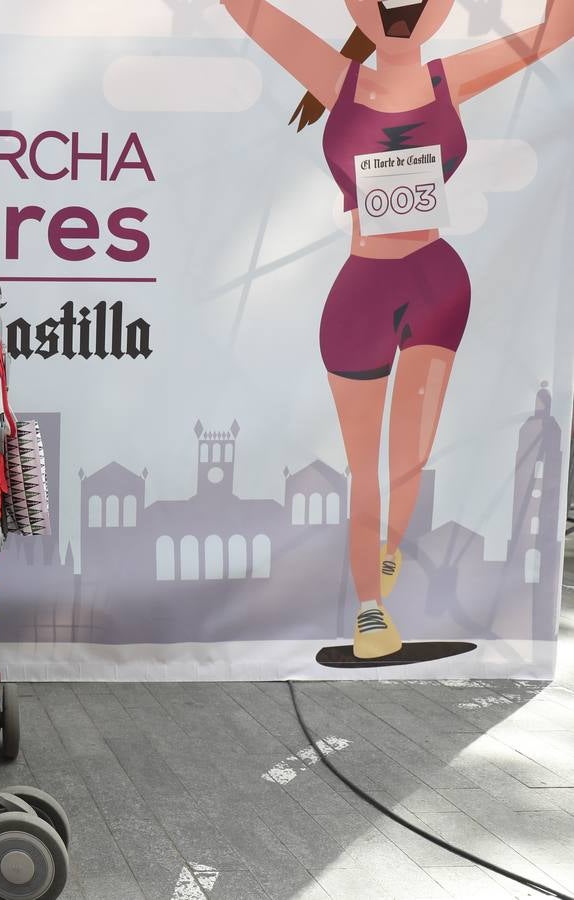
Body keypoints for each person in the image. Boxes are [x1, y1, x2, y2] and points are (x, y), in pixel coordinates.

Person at [219, 0, 572, 658]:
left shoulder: (452, 77)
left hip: (434, 286)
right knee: (364, 468)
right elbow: (248, 11)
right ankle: (371, 610)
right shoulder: (337, 77)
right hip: (361, 294)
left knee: (409, 456)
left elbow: (555, 29)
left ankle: (384, 558)